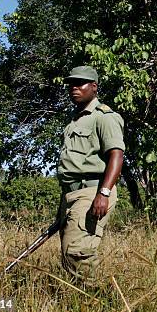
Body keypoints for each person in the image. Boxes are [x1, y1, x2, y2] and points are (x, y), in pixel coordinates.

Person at [57, 66, 125, 282]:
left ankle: (100, 301)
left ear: (94, 87)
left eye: (81, 83)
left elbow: (116, 156)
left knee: (77, 252)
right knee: (69, 256)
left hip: (92, 190)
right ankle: (81, 301)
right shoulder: (74, 119)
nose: (74, 88)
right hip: (71, 194)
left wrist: (103, 193)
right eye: (71, 84)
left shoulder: (105, 117)